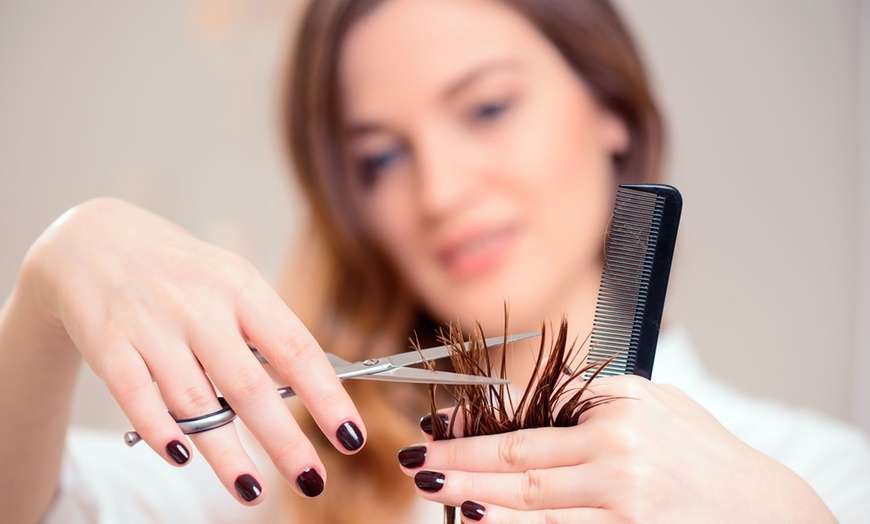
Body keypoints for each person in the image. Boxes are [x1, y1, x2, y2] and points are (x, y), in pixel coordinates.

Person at [1, 0, 868, 522]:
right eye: (380, 158)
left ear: (610, 107)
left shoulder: (820, 479)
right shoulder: (287, 477)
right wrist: (51, 279)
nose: (442, 190)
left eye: (486, 108)